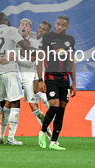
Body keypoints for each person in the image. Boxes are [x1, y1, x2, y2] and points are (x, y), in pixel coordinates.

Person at [0, 13, 33, 146]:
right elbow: (25, 46)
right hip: (11, 71)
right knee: (15, 103)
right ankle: (11, 139)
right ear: (6, 19)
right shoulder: (12, 30)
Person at [37, 15, 76, 151]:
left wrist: (74, 83)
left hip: (64, 79)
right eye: (58, 24)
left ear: (67, 27)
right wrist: (40, 80)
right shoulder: (47, 38)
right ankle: (42, 132)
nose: (60, 27)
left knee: (61, 110)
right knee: (54, 106)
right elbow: (40, 60)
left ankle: (54, 141)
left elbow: (71, 62)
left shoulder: (70, 40)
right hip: (51, 77)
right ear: (55, 24)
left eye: (63, 25)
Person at [16, 18, 50, 136]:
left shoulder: (38, 42)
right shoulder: (19, 40)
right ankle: (47, 130)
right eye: (22, 25)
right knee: (32, 106)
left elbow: (35, 58)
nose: (24, 27)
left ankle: (53, 110)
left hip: (36, 72)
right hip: (23, 74)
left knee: (37, 91)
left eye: (26, 25)